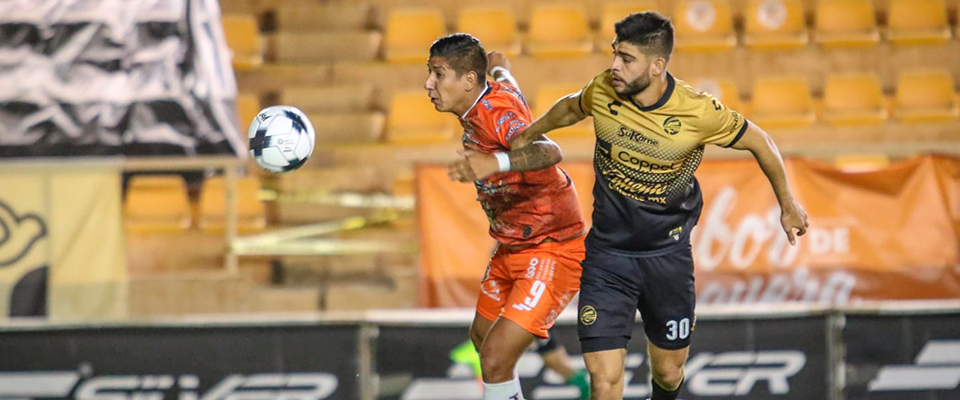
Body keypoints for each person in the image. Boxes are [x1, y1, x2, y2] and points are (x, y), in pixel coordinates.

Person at [446, 12, 810, 400]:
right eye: (615, 54)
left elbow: (761, 141)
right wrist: (529, 134)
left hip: (666, 256)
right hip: (607, 256)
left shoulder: (698, 111)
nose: (615, 66)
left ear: (657, 66)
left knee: (669, 372)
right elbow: (572, 107)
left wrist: (787, 205)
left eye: (627, 59)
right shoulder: (604, 89)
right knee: (603, 381)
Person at [427, 33, 587, 400]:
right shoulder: (491, 93)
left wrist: (493, 162)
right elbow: (506, 79)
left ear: (469, 81)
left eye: (438, 74)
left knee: (497, 356)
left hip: (551, 247)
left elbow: (550, 150)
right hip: (513, 245)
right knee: (483, 339)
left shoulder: (495, 115)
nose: (428, 84)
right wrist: (501, 66)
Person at [450, 331, 591, 400]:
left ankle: (585, 385)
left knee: (552, 358)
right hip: (519, 307)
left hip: (528, 309)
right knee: (494, 360)